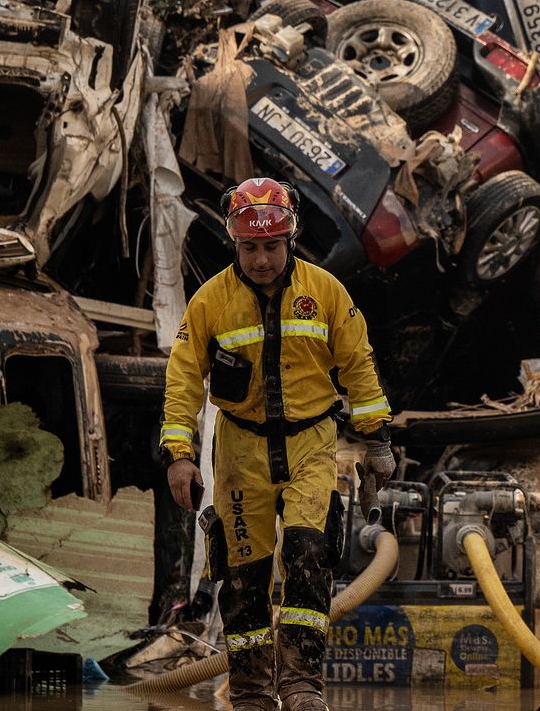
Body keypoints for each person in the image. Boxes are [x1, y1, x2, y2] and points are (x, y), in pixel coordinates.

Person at [160, 177, 396, 711]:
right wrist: (180, 455)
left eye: (271, 246)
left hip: (312, 442)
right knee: (243, 578)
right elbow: (182, 379)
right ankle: (250, 693)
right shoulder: (209, 303)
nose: (261, 259)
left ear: (290, 238)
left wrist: (377, 438)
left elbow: (359, 364)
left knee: (309, 554)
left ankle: (302, 685)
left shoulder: (326, 292)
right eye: (249, 248)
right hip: (240, 451)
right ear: (234, 243)